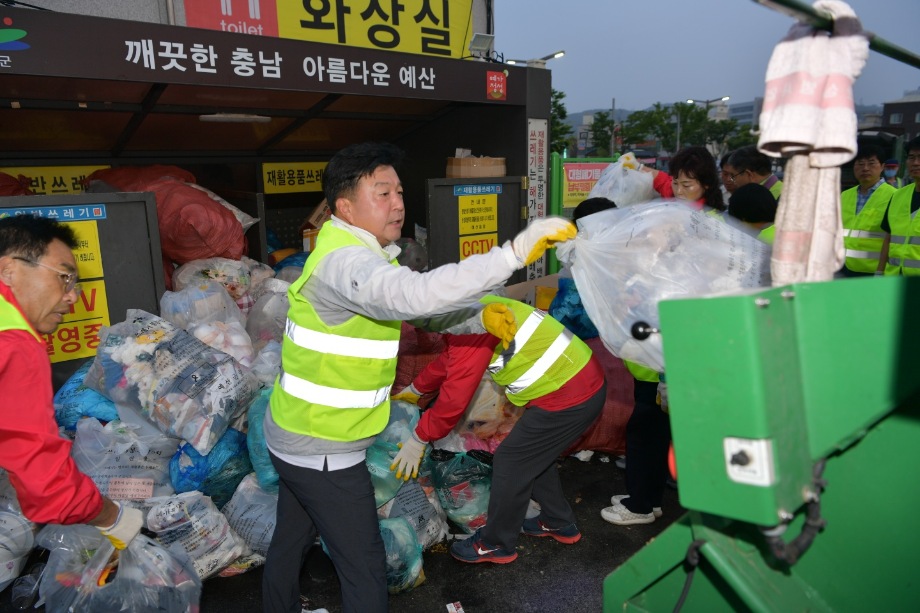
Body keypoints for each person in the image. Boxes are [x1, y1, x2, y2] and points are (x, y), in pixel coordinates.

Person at [261, 141, 576, 613]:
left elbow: (412, 313)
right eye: (382, 192)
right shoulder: (345, 263)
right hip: (323, 446)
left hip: (295, 433)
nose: (398, 203)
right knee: (365, 566)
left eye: (399, 191)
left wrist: (477, 316)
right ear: (344, 205)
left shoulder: (352, 251)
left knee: (291, 539)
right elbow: (411, 297)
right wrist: (511, 253)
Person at [390, 296, 606, 564]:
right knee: (532, 455)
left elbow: (454, 399)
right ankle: (557, 521)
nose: (423, 331)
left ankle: (495, 544)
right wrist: (417, 388)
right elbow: (450, 360)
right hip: (577, 381)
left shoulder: (473, 328)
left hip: (569, 394)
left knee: (511, 460)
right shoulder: (471, 311)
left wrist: (418, 438)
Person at [0, 215, 143, 550]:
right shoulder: (14, 341)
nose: (73, 297)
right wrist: (111, 516)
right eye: (64, 277)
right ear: (9, 271)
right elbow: (45, 482)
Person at [839, 145, 896, 276]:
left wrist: (881, 272)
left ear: (882, 167)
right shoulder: (845, 195)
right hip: (843, 268)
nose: (865, 168)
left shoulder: (894, 196)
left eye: (871, 163)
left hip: (873, 271)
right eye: (860, 163)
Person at [877, 136, 920, 276]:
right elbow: (888, 238)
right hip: (893, 279)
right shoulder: (898, 196)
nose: (916, 163)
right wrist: (879, 272)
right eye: (911, 157)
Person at [644, 146, 726, 211]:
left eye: (686, 185)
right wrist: (637, 166)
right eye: (675, 183)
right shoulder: (672, 193)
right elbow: (661, 179)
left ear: (706, 184)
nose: (678, 191)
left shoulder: (711, 221)